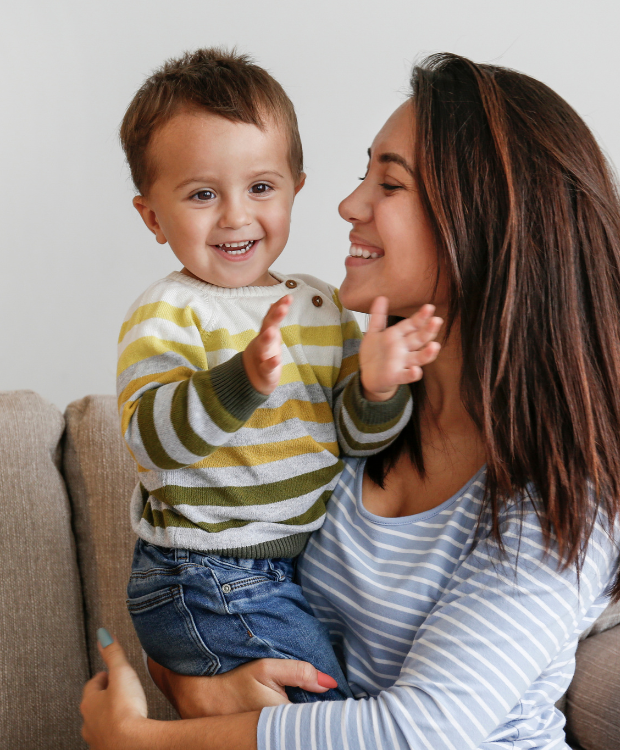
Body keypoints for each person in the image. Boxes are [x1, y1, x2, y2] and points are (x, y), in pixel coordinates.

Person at [83, 52, 620, 749]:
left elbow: (421, 732)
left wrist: (137, 741)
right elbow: (209, 602)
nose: (346, 204)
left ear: (478, 223)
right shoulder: (348, 406)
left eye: (387, 183)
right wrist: (196, 685)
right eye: (365, 173)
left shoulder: (568, 490)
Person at [115, 48, 443, 703]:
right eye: (203, 194)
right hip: (204, 571)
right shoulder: (169, 311)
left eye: (260, 187)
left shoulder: (322, 306)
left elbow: (356, 439)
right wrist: (240, 382)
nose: (236, 216)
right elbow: (150, 442)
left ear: (295, 186)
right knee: (322, 707)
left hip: (289, 569)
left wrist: (376, 389)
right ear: (153, 216)